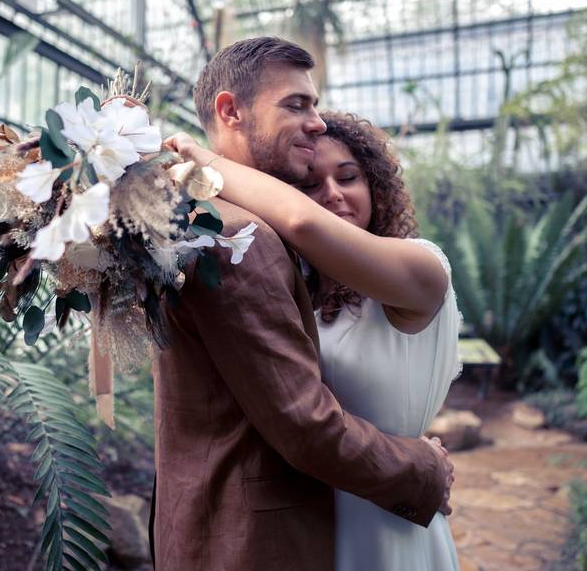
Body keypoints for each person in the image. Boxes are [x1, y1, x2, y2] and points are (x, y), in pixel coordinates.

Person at [150, 36, 454, 570]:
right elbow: (307, 424)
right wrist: (422, 466)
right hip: (283, 524)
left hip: (357, 514)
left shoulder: (415, 266)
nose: (315, 122)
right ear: (230, 111)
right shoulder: (237, 237)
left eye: (350, 176)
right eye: (296, 104)